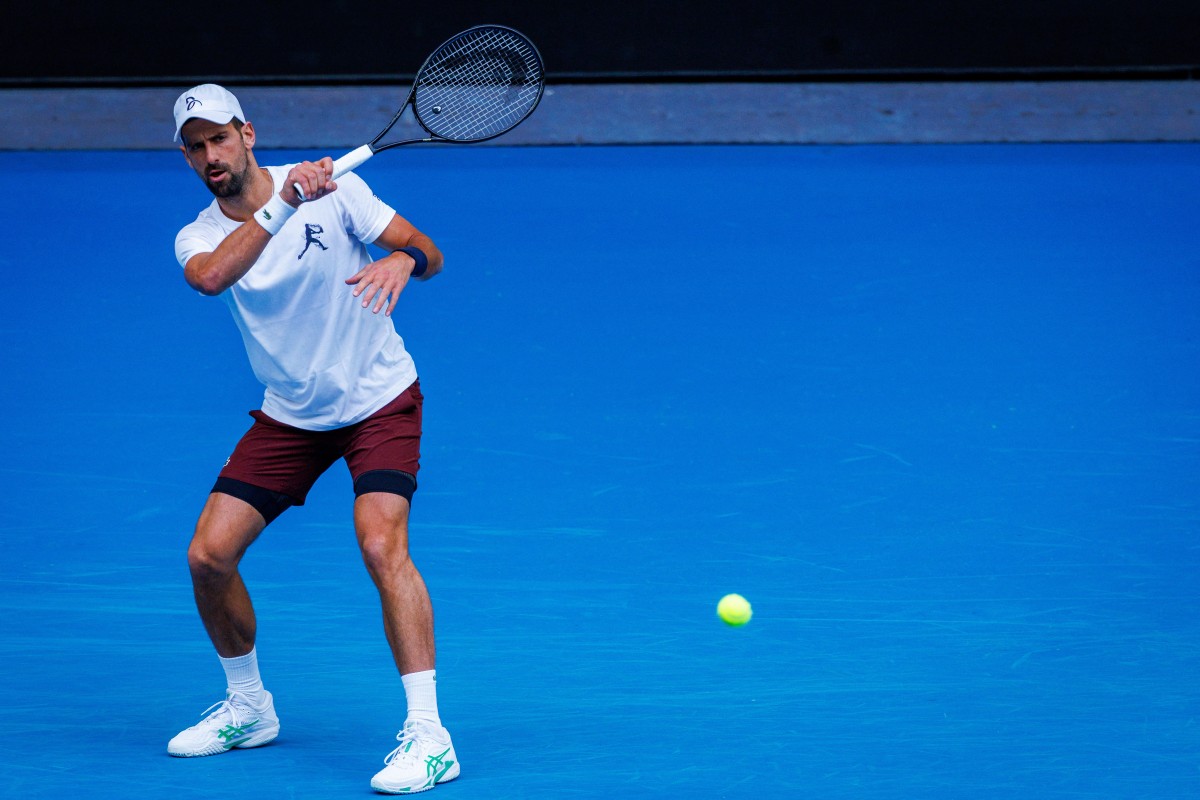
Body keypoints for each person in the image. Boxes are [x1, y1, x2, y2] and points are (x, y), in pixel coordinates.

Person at [167, 83, 458, 794]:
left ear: (248, 134)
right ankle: (250, 707)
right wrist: (284, 203)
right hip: (291, 414)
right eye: (196, 146)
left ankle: (430, 737)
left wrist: (401, 262)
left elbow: (429, 251)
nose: (210, 154)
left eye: (219, 138)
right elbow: (210, 279)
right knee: (208, 556)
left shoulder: (340, 192)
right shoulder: (200, 235)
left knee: (380, 543)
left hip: (378, 397)